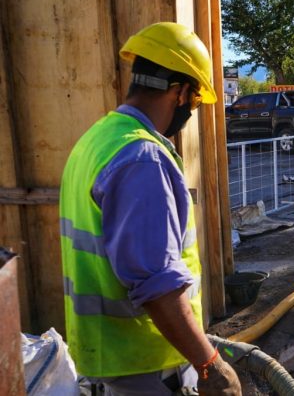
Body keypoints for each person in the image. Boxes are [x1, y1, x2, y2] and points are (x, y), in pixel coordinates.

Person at [59, 22, 241, 395]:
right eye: (192, 101)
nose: (190, 111)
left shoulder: (98, 139)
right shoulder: (142, 159)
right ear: (180, 92)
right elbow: (157, 285)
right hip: (145, 367)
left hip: (110, 363)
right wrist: (209, 364)